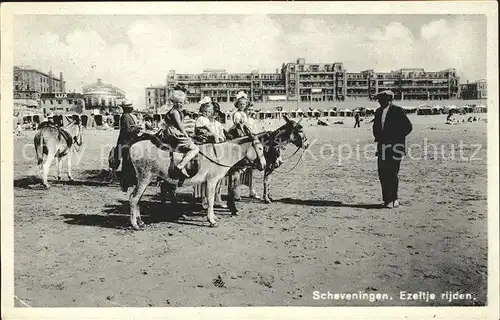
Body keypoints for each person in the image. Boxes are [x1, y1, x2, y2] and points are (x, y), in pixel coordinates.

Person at [372, 90, 413, 208]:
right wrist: (379, 138)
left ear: (389, 100)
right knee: (382, 173)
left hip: (396, 146)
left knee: (392, 173)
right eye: (379, 99)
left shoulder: (397, 110)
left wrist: (395, 138)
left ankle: (394, 199)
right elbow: (376, 127)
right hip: (382, 147)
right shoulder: (378, 111)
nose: (379, 101)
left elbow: (408, 127)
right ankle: (387, 199)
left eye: (381, 99)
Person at [163, 90, 200, 178]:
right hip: (175, 133)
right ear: (174, 102)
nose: (180, 104)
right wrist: (187, 137)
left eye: (181, 102)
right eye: (177, 102)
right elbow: (180, 126)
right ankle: (181, 165)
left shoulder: (173, 111)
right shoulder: (175, 112)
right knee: (195, 149)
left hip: (171, 132)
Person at [116, 100, 142, 191]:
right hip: (126, 142)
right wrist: (137, 129)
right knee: (127, 162)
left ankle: (130, 180)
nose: (132, 108)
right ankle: (126, 182)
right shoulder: (125, 117)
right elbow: (127, 131)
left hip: (129, 141)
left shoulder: (128, 116)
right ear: (127, 108)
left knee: (129, 162)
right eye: (130, 107)